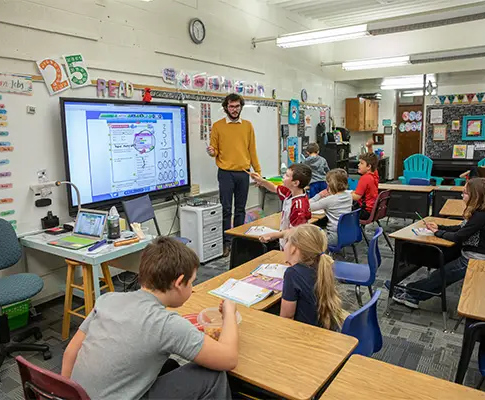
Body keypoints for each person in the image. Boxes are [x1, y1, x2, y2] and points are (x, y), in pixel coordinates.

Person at [61, 237, 238, 400]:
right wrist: (229, 312)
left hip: (78, 395)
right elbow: (229, 359)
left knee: (168, 365)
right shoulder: (167, 324)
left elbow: (70, 353)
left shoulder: (108, 300)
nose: (192, 288)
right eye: (191, 282)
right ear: (178, 282)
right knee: (212, 376)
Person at [392, 178, 485, 309]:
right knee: (440, 269)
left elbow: (458, 237)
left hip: (476, 260)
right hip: (475, 254)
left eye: (465, 193)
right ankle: (411, 290)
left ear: (477, 196)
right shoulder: (483, 212)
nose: (462, 195)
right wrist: (439, 227)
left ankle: (411, 293)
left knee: (440, 276)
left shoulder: (481, 216)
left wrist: (437, 233)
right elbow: (461, 228)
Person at [207, 94, 261, 257]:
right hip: (225, 173)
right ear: (226, 108)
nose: (235, 109)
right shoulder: (217, 126)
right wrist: (211, 152)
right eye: (231, 107)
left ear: (241, 107)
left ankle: (239, 241)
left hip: (243, 173)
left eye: (237, 106)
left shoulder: (247, 126)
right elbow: (214, 149)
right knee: (226, 209)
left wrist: (257, 172)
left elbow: (252, 150)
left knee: (240, 210)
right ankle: (227, 243)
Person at [280, 224, 346, 330]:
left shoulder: (292, 274)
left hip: (306, 335)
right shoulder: (322, 265)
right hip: (323, 329)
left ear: (293, 248)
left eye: (287, 241)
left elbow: (286, 318)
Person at [250, 163, 312, 248]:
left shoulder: (299, 206)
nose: (283, 177)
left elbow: (294, 231)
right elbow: (275, 188)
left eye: (286, 175)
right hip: (285, 240)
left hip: (295, 245)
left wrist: (273, 235)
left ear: (295, 183)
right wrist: (261, 181)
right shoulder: (290, 192)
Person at [310, 168, 352, 246]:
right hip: (347, 234)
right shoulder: (349, 196)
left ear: (330, 185)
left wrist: (319, 195)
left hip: (333, 237)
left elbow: (308, 206)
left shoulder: (329, 200)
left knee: (308, 237)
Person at [352, 151, 379, 220]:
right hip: (373, 211)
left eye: (361, 163)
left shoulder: (365, 178)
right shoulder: (375, 174)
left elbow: (356, 197)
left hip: (364, 212)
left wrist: (344, 193)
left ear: (369, 166)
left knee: (341, 208)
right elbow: (374, 164)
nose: (358, 165)